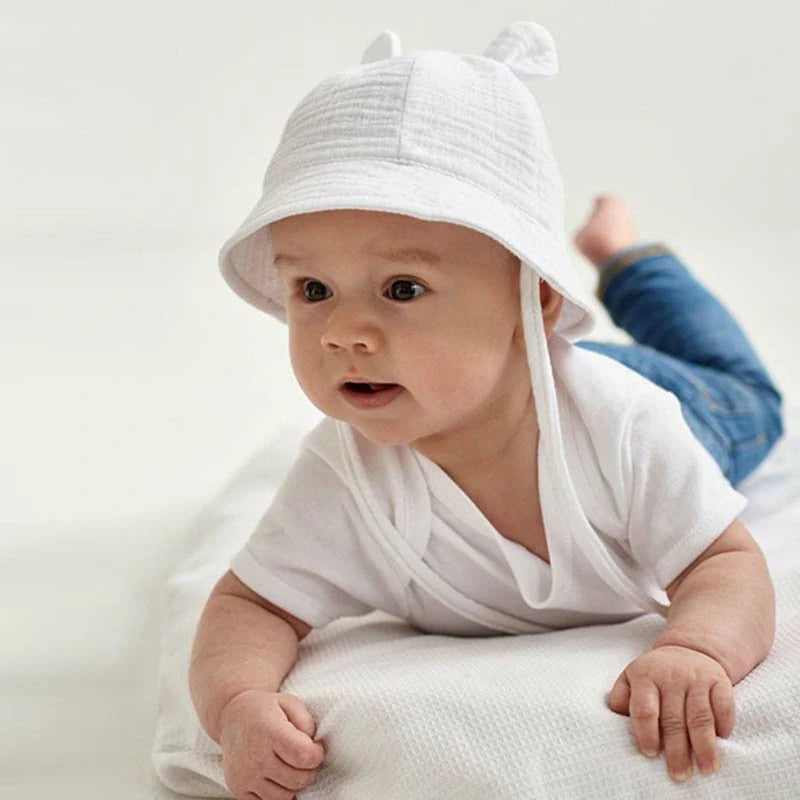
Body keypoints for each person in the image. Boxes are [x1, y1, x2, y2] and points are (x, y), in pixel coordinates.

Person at [188, 22, 785, 798]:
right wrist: (237, 703)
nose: (342, 334)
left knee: (746, 393)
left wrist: (699, 648)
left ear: (534, 297)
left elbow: (727, 562)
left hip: (634, 393)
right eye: (313, 290)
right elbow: (249, 604)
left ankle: (630, 259)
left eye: (402, 289)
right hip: (502, 372)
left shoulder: (625, 425)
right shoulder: (347, 474)